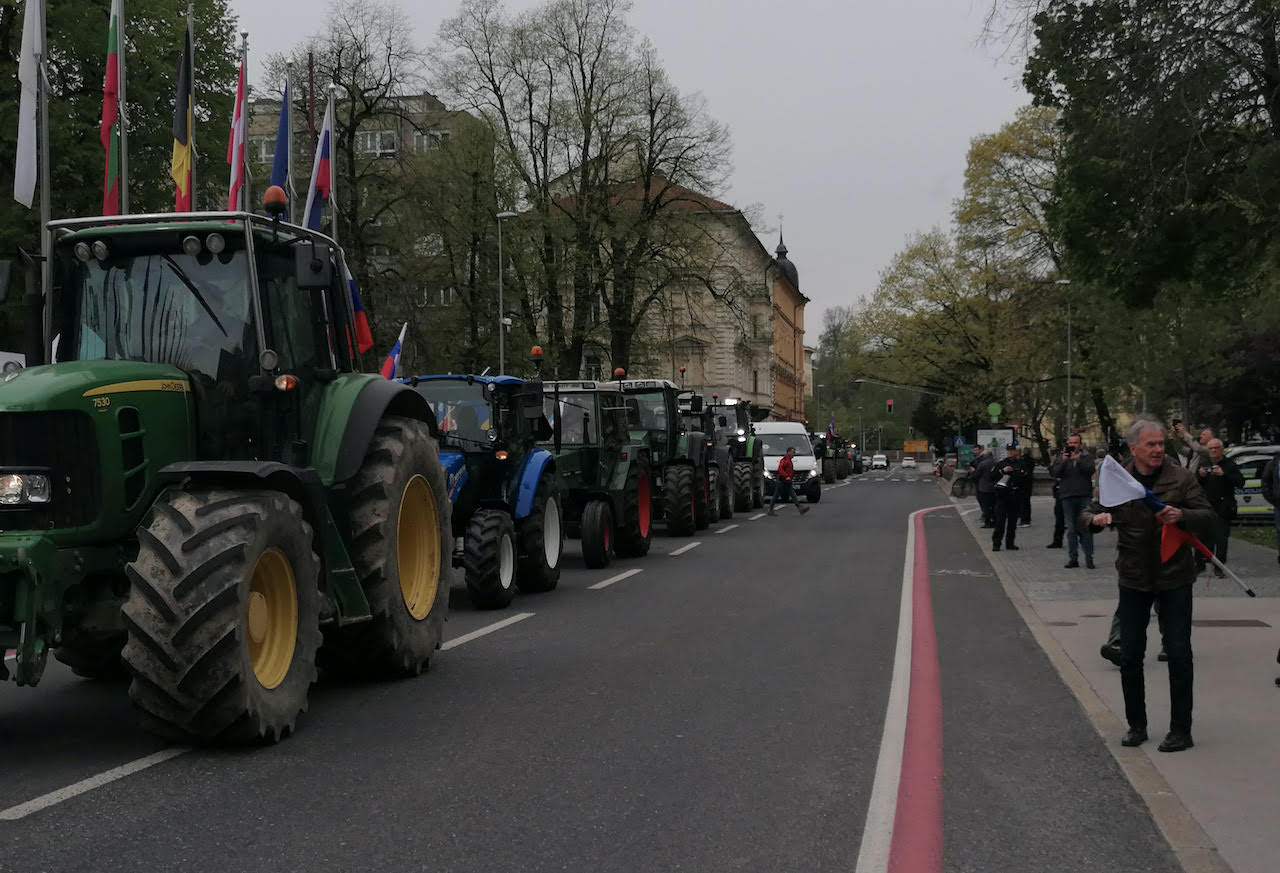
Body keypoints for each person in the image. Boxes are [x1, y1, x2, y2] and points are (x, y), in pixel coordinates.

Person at [1079, 419, 1213, 753]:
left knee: (1180, 653)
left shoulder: (1181, 478)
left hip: (1175, 578)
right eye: (1150, 445)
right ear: (1134, 448)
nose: (1157, 450)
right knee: (1130, 655)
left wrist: (1181, 515)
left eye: (1160, 444)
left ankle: (1181, 730)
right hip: (1134, 579)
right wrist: (1094, 521)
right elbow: (1086, 514)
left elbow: (1208, 516)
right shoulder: (1116, 479)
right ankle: (1136, 725)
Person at [1197, 438, 1243, 576]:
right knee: (1203, 535)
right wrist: (1201, 476)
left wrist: (1224, 475)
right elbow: (1196, 483)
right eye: (1210, 449)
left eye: (1215, 448)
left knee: (1221, 538)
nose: (1213, 451)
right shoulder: (1204, 463)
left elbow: (1240, 482)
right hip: (1207, 505)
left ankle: (1219, 566)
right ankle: (1199, 563)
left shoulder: (1229, 465)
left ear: (1221, 450)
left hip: (1224, 505)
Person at [1051, 433, 1097, 569]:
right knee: (1071, 529)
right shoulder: (1062, 457)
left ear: (1080, 444)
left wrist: (1078, 460)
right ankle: (1073, 558)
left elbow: (1090, 470)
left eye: (1075, 443)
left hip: (1084, 495)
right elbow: (1055, 473)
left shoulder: (1087, 457)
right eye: (1070, 443)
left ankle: (1089, 556)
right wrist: (1064, 461)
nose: (1073, 445)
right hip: (1067, 496)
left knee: (1086, 527)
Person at [988, 445, 1027, 551]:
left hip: (1015, 495)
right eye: (1008, 450)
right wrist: (1002, 471)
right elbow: (992, 476)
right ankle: (996, 544)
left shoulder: (1021, 464)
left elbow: (1024, 477)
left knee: (1012, 522)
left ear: (1016, 452)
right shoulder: (1001, 464)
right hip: (1002, 496)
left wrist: (1014, 471)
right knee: (1000, 521)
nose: (1010, 452)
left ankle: (1010, 543)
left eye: (1012, 450)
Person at [767, 446, 809, 516]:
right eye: (793, 452)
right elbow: (780, 469)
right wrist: (786, 476)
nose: (794, 454)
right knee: (776, 495)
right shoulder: (785, 460)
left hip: (787, 482)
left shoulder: (788, 460)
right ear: (788, 452)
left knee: (793, 495)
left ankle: (801, 508)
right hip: (782, 481)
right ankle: (770, 510)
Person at [971, 446, 997, 528]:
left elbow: (976, 475)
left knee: (985, 506)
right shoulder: (996, 463)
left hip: (984, 487)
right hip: (994, 488)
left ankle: (987, 522)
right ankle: (995, 521)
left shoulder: (982, 464)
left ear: (985, 455)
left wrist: (973, 474)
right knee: (993, 505)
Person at [1017, 449, 1036, 527]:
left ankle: (1024, 520)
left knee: (1023, 502)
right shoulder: (1031, 460)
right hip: (1028, 484)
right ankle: (1025, 520)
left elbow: (1023, 472)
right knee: (1026, 502)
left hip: (1024, 484)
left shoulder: (1023, 461)